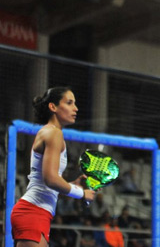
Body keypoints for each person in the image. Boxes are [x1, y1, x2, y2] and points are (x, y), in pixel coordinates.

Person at [10, 86, 96, 247]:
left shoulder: (52, 133)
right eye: (69, 103)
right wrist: (81, 193)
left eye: (75, 103)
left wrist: (71, 186)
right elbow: (50, 179)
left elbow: (48, 184)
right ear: (53, 107)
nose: (75, 108)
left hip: (37, 212)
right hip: (33, 212)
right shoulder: (54, 133)